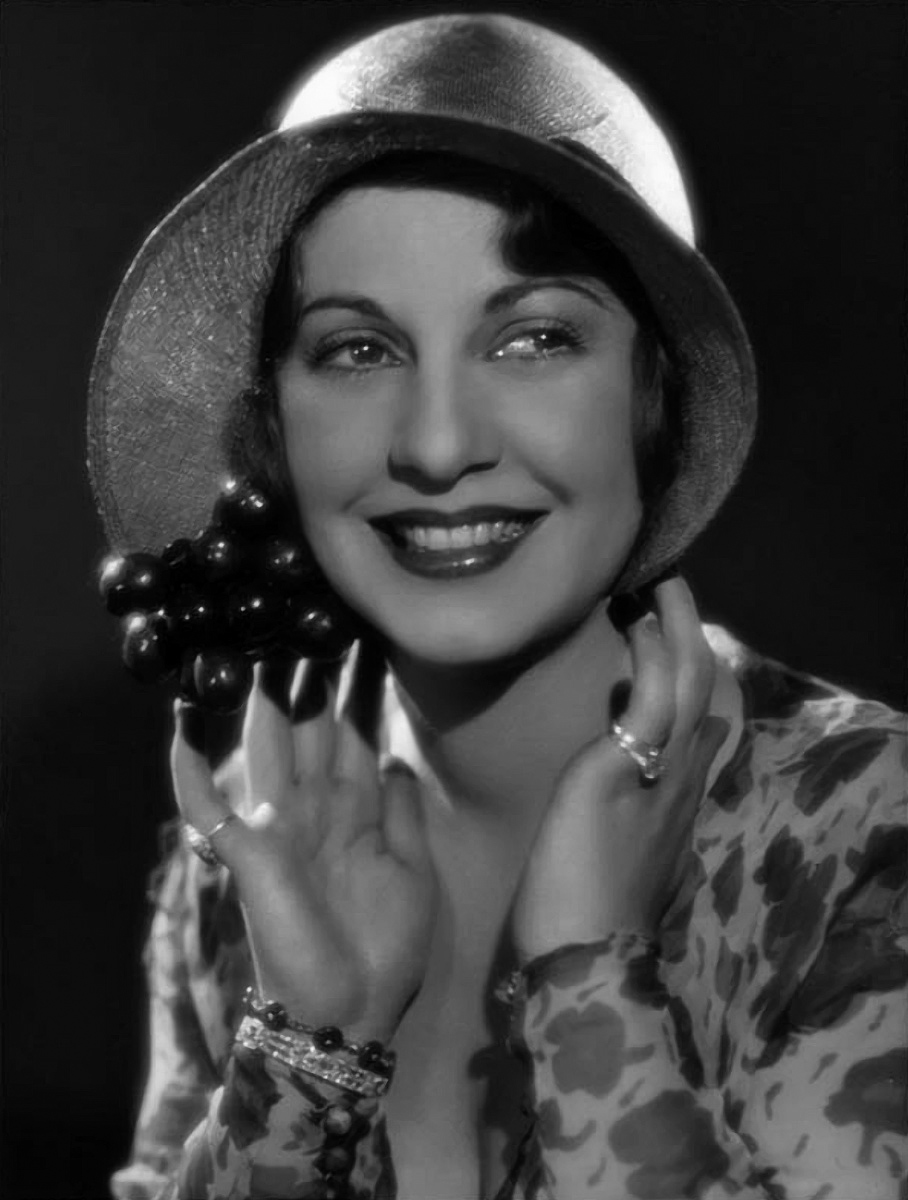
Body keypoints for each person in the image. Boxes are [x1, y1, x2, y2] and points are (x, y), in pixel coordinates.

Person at [88, 14, 907, 1200]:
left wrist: (588, 975)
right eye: (357, 351)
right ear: (273, 429)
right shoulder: (242, 869)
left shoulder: (867, 839)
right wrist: (303, 1053)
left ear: (655, 397)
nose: (436, 446)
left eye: (532, 338)